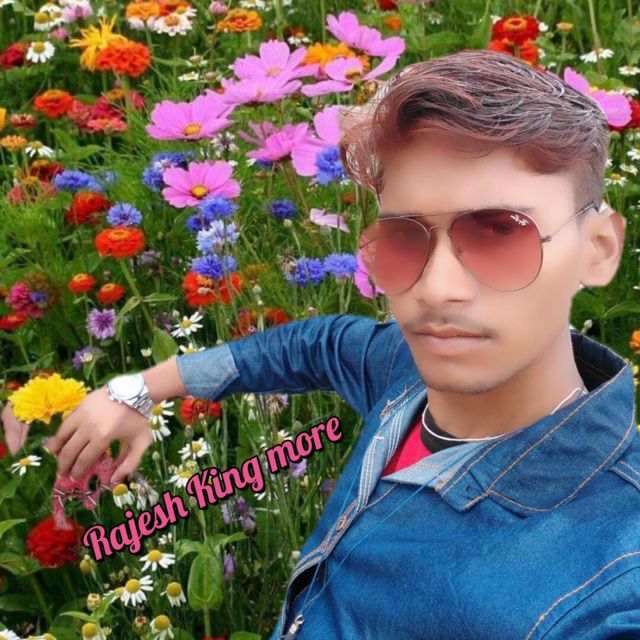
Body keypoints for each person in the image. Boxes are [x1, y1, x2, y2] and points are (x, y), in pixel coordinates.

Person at [2, 49, 639, 638]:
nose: (436, 288)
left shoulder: (611, 576)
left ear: (599, 248)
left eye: (500, 232)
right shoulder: (405, 371)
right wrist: (137, 388)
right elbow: (319, 342)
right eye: (404, 236)